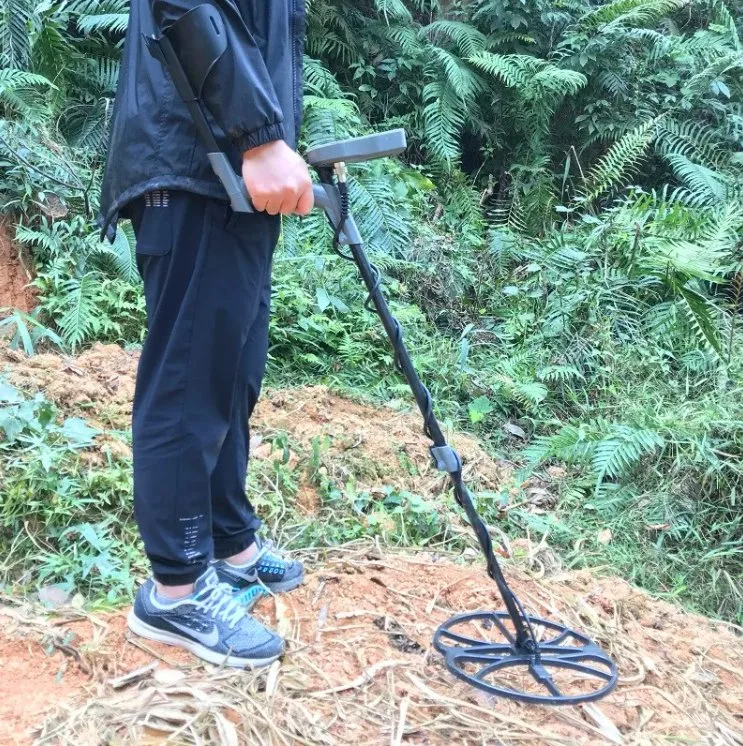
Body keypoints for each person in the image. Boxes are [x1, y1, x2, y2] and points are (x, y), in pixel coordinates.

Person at [97, 0, 312, 668]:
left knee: (232, 372)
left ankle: (227, 541)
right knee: (190, 382)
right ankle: (178, 588)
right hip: (196, 163)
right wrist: (259, 137)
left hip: (229, 177)